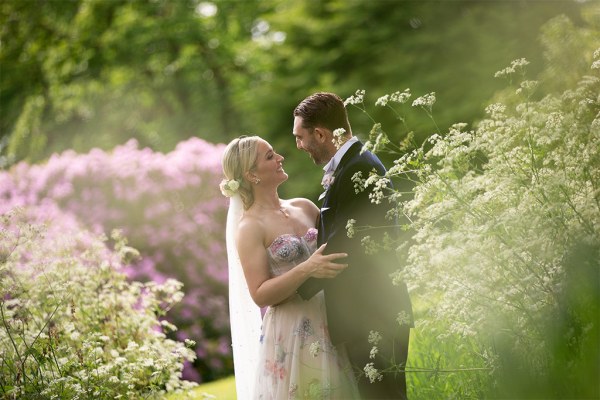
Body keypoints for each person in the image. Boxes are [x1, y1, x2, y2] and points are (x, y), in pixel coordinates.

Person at [293, 92, 414, 399]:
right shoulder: (350, 164)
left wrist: (292, 291)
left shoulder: (358, 167)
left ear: (320, 134)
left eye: (300, 137)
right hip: (368, 312)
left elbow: (346, 244)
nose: (299, 146)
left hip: (372, 312)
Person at [220, 135, 360, 399]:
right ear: (252, 174)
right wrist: (307, 269)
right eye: (270, 156)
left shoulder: (305, 207)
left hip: (333, 317)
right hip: (293, 330)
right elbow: (260, 294)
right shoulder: (250, 228)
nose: (280, 158)